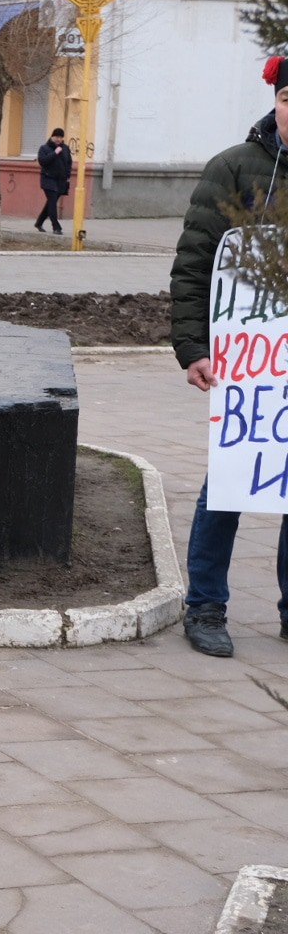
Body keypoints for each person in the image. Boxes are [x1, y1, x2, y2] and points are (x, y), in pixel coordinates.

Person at [170, 57, 288, 657]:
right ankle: (206, 605)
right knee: (233, 481)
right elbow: (194, 263)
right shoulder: (235, 169)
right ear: (276, 100)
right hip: (253, 365)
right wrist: (192, 346)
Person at [36, 127, 70, 235]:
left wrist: (67, 174)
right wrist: (55, 153)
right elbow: (42, 161)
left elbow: (69, 162)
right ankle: (56, 227)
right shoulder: (44, 148)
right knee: (52, 202)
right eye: (57, 137)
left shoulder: (65, 148)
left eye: (61, 137)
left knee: (51, 203)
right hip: (48, 179)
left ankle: (39, 222)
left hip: (61, 181)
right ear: (52, 137)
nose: (58, 139)